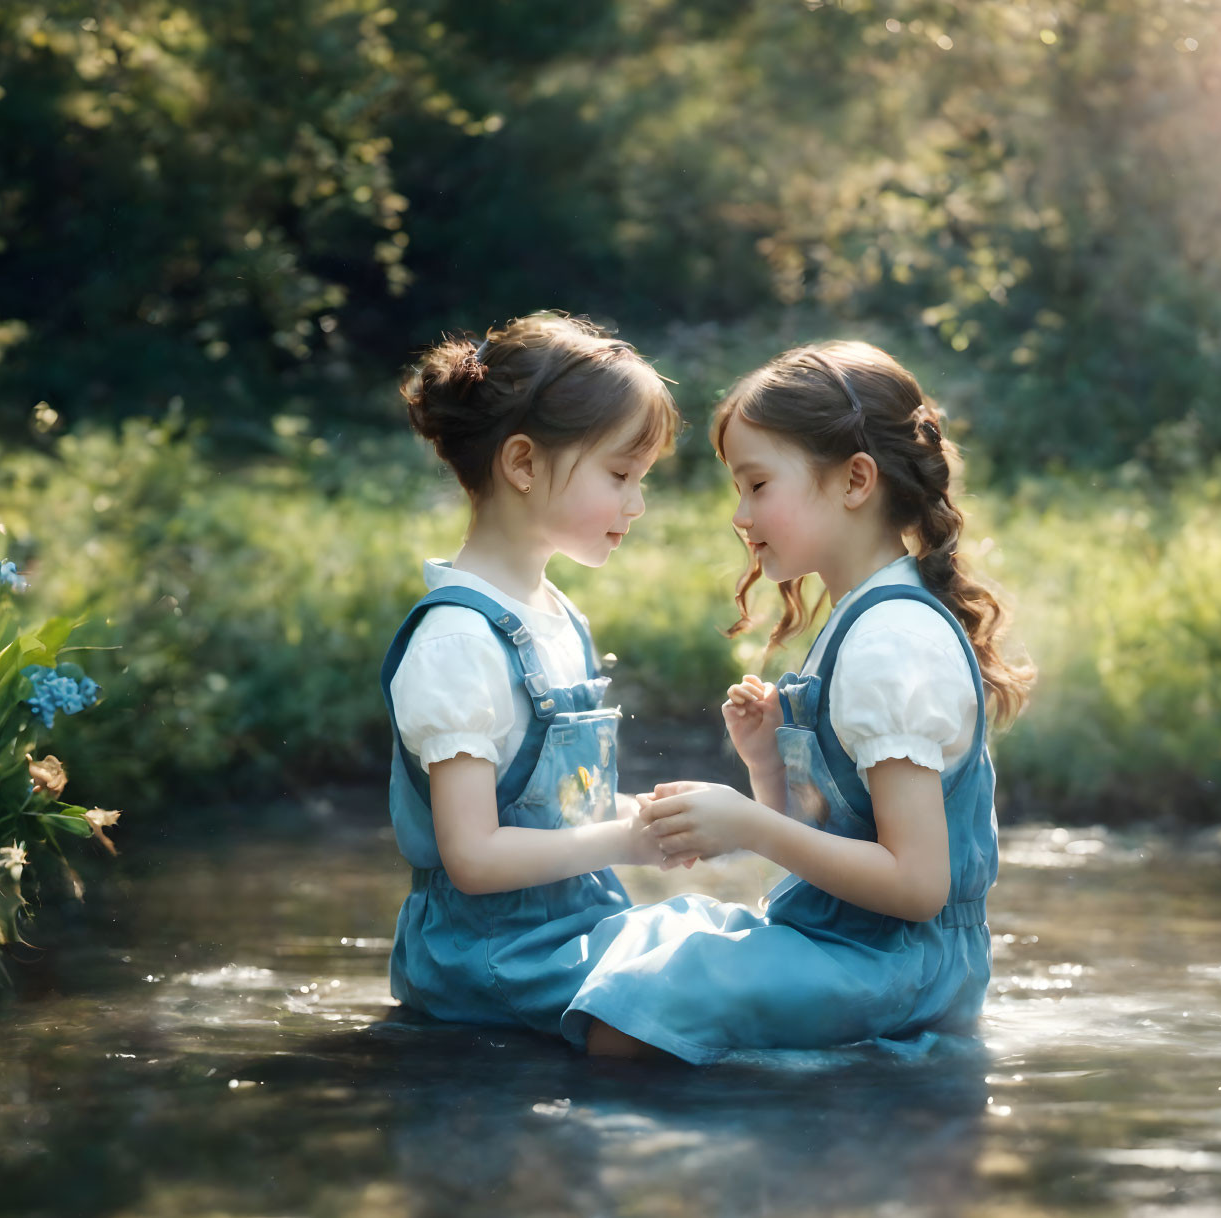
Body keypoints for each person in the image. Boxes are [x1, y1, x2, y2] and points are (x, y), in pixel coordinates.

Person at [565, 340, 1034, 1062]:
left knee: (636, 1012)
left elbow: (915, 886)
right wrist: (767, 768)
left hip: (895, 969)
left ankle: (659, 1155)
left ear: (854, 480)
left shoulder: (893, 642)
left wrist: (749, 823)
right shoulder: (862, 619)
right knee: (646, 939)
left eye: (756, 485)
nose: (739, 515)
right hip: (853, 948)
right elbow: (832, 852)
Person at [380, 312, 679, 1033]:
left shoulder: (556, 616)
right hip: (491, 962)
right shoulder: (458, 642)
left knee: (724, 946)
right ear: (522, 464)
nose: (636, 505)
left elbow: (553, 810)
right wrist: (626, 841)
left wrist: (644, 814)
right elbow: (475, 857)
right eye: (620, 475)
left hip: (570, 933)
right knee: (708, 994)